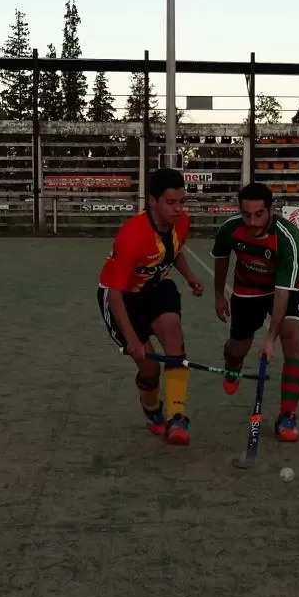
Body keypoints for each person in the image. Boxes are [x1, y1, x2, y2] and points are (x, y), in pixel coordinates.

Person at [97, 167, 204, 446]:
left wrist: (190, 277)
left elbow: (172, 252)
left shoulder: (182, 223)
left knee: (174, 338)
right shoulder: (132, 235)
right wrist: (132, 339)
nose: (179, 208)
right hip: (122, 299)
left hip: (157, 287)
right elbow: (115, 295)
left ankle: (178, 418)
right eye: (171, 202)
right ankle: (153, 410)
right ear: (152, 201)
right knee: (149, 369)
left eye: (182, 201)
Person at [211, 183, 299, 443]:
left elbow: (282, 293)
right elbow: (221, 258)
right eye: (246, 214)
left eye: (259, 214)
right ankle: (233, 365)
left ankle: (287, 415)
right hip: (247, 286)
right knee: (237, 348)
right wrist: (219, 296)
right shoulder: (230, 229)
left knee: (293, 336)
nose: (252, 221)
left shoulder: (288, 238)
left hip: (285, 287)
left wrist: (270, 338)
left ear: (271, 210)